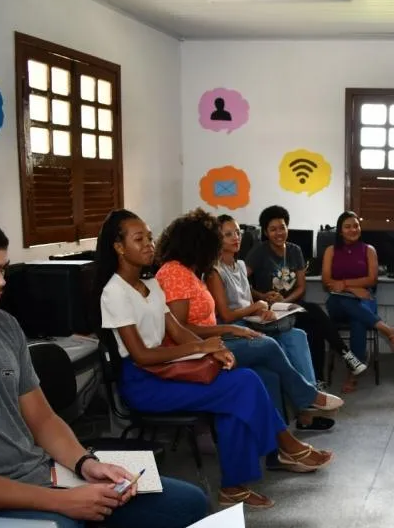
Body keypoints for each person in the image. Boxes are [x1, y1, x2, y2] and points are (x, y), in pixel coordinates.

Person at [0, 211, 208, 528]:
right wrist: (60, 501)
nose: (1, 281)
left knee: (190, 505)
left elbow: (42, 419)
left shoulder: (4, 325)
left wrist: (85, 463)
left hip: (46, 475)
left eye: (3, 268)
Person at [96, 209, 333, 510]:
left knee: (241, 384)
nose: (148, 244)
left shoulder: (152, 285)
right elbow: (141, 354)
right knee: (241, 387)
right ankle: (283, 447)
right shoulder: (114, 292)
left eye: (150, 237)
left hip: (166, 369)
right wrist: (204, 348)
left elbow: (178, 331)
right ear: (118, 247)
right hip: (143, 382)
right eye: (138, 239)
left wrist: (212, 348)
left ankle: (238, 484)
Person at [155, 210, 342, 432]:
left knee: (270, 375)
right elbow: (180, 330)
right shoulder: (176, 273)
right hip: (198, 349)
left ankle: (280, 446)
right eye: (218, 240)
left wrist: (257, 304)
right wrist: (233, 328)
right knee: (269, 345)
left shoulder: (190, 271)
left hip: (212, 340)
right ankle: (308, 396)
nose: (218, 247)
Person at [246, 206, 366, 381]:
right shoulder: (259, 251)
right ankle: (346, 355)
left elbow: (301, 287)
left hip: (291, 306)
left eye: (282, 227)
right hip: (268, 311)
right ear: (265, 232)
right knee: (315, 312)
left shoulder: (295, 250)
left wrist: (285, 301)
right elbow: (241, 282)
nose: (279, 233)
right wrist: (261, 296)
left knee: (315, 329)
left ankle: (319, 381)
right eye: (273, 229)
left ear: (287, 227)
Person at [322, 211, 394, 392]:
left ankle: (353, 371)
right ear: (340, 231)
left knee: (358, 320)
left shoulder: (369, 250)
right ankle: (386, 328)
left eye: (356, 226)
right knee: (346, 304)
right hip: (337, 301)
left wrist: (344, 284)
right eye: (348, 226)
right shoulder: (331, 251)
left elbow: (372, 279)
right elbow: (327, 281)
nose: (353, 229)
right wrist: (352, 288)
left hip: (364, 299)